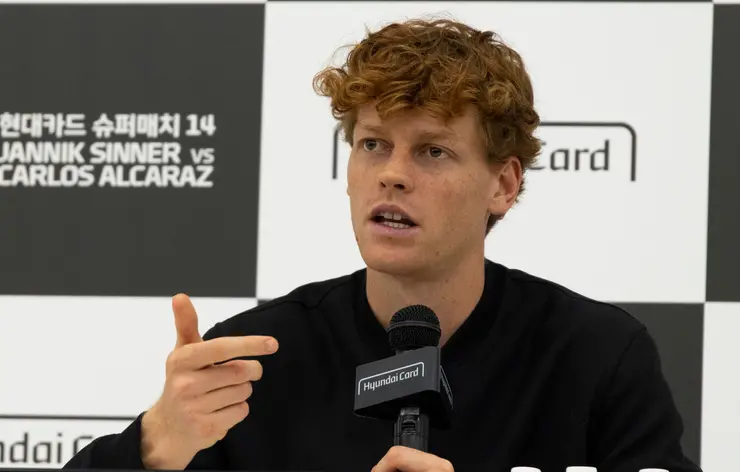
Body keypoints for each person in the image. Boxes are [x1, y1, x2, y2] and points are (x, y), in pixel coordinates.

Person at [65, 17, 702, 472]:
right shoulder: (255, 363)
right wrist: (155, 446)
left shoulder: (597, 357)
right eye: (373, 144)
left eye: (432, 151)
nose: (392, 174)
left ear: (503, 185)